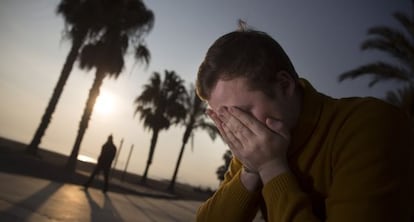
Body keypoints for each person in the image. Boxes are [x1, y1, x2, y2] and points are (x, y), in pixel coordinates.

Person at [195, 28, 413, 221]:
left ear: (284, 85)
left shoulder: (368, 125)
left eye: (240, 112)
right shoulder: (255, 146)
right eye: (224, 119)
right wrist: (251, 170)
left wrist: (271, 168)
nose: (235, 128)